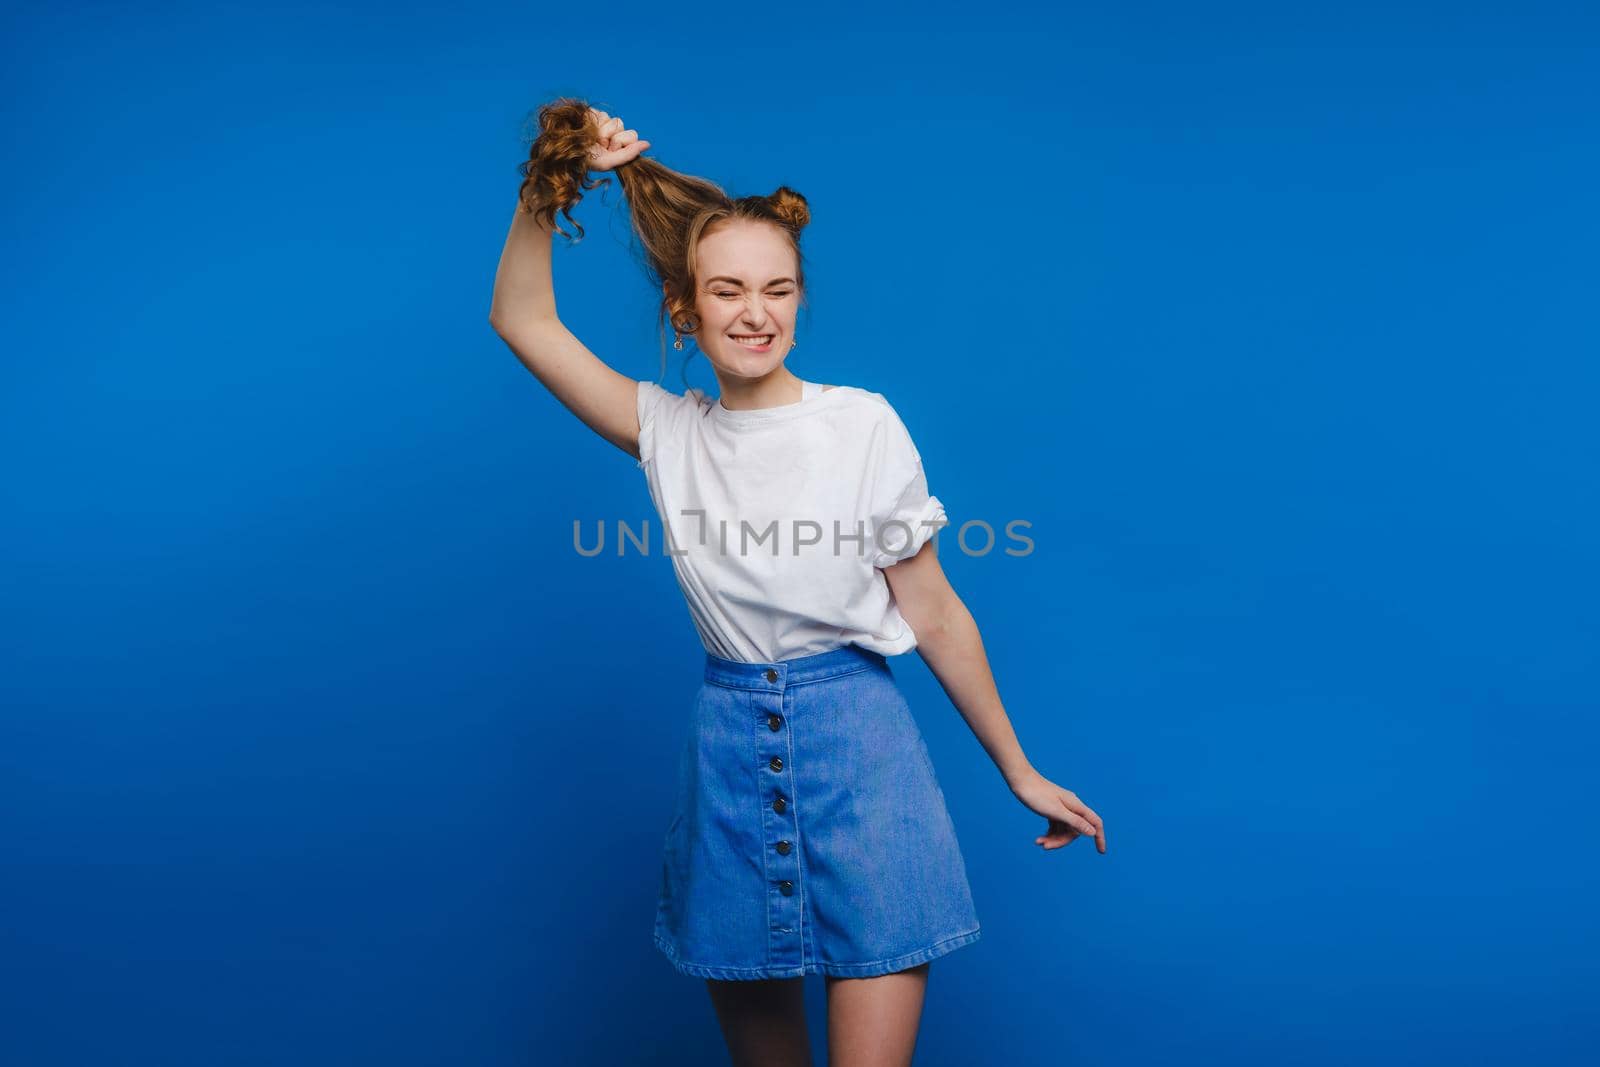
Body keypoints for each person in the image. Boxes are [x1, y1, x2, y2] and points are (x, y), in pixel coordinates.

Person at [489, 98, 1107, 1067]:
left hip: (863, 750)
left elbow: (935, 611)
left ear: (799, 300)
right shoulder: (666, 429)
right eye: (728, 290)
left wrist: (1018, 768)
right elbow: (520, 319)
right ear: (685, 309)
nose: (755, 312)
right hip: (729, 755)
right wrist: (553, 182)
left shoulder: (861, 424)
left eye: (777, 289)